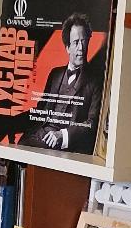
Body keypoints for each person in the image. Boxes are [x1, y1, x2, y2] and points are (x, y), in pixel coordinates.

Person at [38, 13, 103, 150]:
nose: (81, 48)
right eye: (76, 42)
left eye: (84, 41)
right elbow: (40, 110)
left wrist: (63, 135)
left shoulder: (96, 80)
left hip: (65, 145)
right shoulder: (55, 74)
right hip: (39, 134)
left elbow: (92, 123)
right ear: (67, 47)